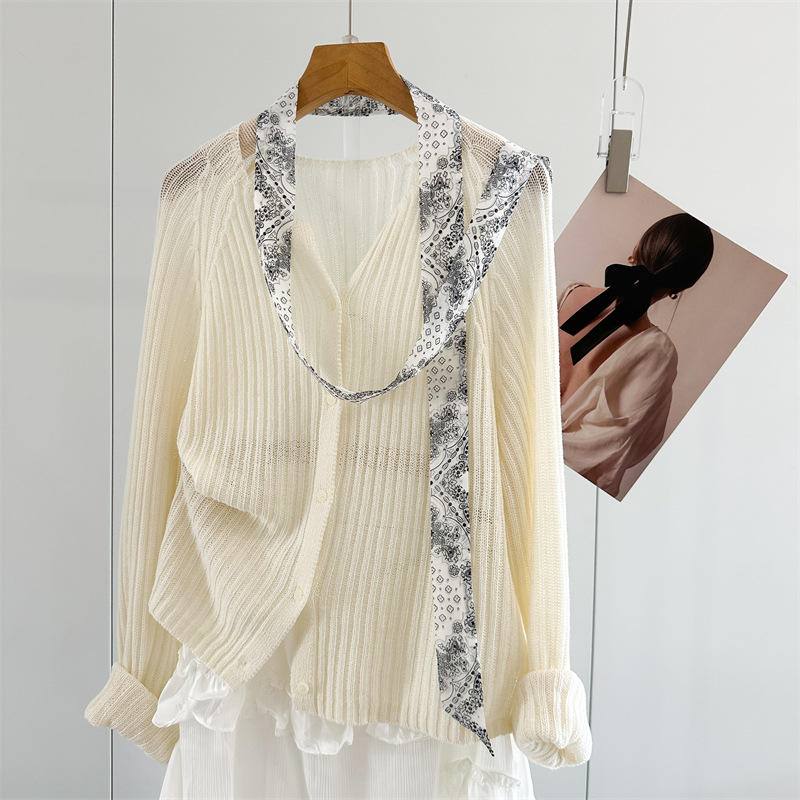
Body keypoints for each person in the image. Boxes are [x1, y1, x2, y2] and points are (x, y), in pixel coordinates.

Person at [557, 212, 714, 497]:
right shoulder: (657, 353)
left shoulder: (570, 295)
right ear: (683, 286)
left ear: (636, 249)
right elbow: (612, 445)